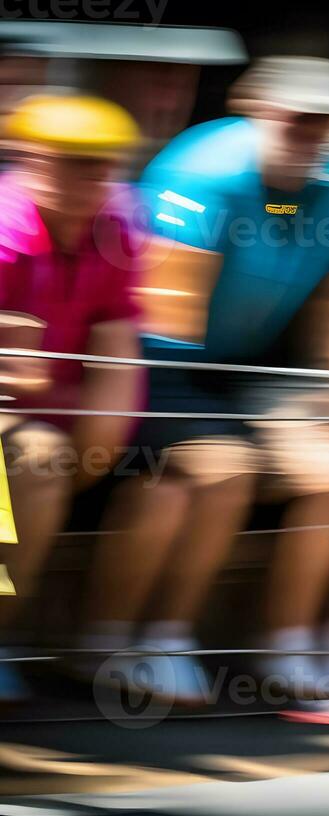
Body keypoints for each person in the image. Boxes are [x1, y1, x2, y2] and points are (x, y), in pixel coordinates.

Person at [79, 57, 329, 703]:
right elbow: (171, 317)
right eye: (299, 115)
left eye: (327, 118)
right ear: (258, 108)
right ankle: (117, 640)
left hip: (250, 376)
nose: (314, 129)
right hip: (157, 367)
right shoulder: (204, 169)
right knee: (218, 469)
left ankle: (301, 644)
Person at [0, 94, 144, 701]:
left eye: (101, 165)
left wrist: (98, 449)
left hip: (52, 427)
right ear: (31, 161)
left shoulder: (115, 231)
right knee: (34, 463)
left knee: (48, 460)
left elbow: (117, 349)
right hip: (24, 430)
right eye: (71, 162)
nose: (91, 179)